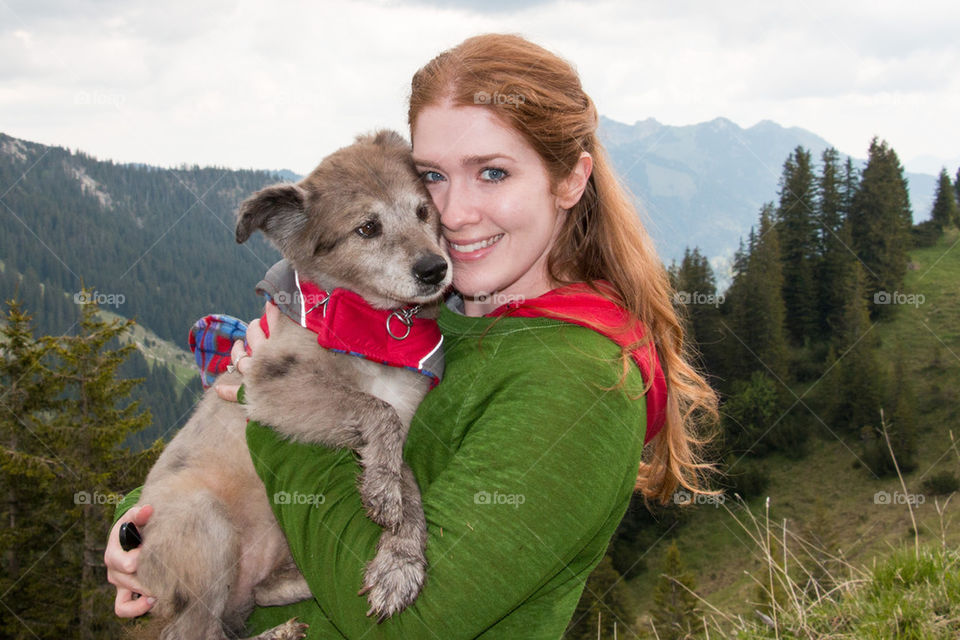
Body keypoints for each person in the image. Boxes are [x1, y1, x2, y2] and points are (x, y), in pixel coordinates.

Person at [105, 33, 719, 638]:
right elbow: (219, 476)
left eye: (494, 173)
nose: (453, 214)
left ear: (569, 181)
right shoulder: (421, 317)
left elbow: (412, 626)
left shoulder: (580, 381)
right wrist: (140, 532)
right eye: (433, 176)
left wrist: (266, 409)